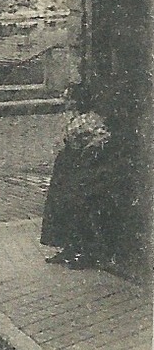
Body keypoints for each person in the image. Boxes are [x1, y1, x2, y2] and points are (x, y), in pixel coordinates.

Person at [40, 110, 123, 270]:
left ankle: (88, 251)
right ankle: (69, 245)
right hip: (82, 138)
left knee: (83, 194)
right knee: (61, 191)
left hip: (99, 141)